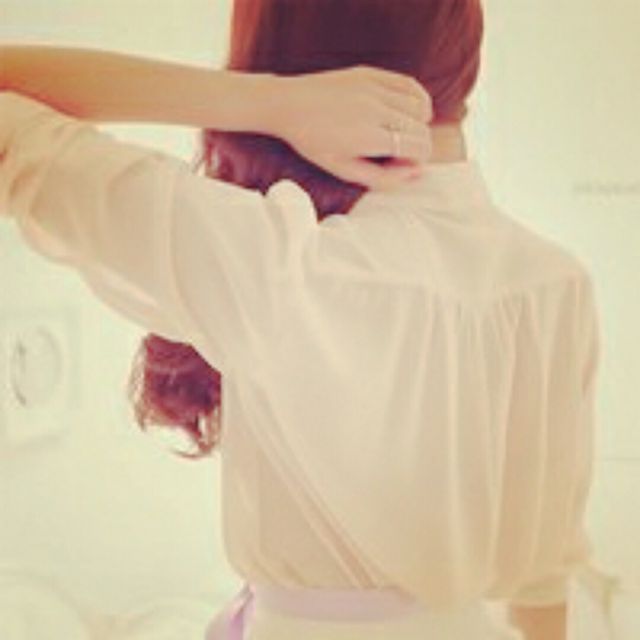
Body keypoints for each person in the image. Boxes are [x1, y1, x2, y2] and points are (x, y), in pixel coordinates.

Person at [0, 1, 621, 639]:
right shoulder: (555, 285)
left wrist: (268, 102)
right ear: (466, 50)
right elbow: (545, 581)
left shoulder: (276, 261)